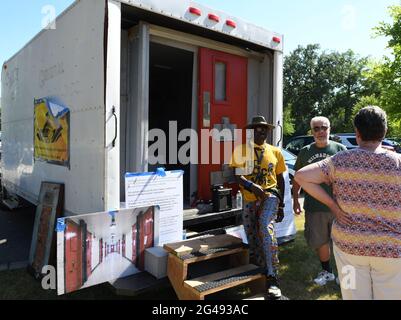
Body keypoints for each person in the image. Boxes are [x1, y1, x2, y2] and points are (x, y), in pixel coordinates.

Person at [295, 106, 401, 300]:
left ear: (357, 133)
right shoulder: (398, 162)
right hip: (391, 252)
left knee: (353, 295)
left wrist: (333, 205)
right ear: (384, 132)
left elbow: (302, 176)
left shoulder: (339, 161)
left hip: (349, 250)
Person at [230, 116, 286, 299]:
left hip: (270, 196)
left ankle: (272, 277)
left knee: (264, 227)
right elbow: (237, 176)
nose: (261, 131)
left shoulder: (275, 152)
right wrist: (252, 187)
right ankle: (260, 269)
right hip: (249, 198)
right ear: (251, 131)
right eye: (257, 128)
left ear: (268, 131)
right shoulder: (241, 150)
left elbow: (280, 179)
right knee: (252, 234)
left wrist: (281, 205)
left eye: (264, 128)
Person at [292, 117, 346, 286]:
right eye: (316, 128)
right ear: (312, 131)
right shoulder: (305, 151)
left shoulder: (341, 149)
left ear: (330, 129)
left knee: (343, 242)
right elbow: (297, 179)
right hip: (315, 207)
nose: (321, 131)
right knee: (320, 241)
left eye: (324, 127)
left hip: (340, 206)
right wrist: (295, 200)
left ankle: (345, 275)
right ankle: (327, 272)